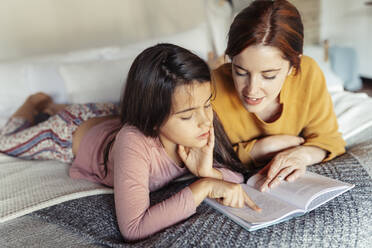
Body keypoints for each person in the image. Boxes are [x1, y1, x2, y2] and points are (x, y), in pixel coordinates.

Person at [0, 43, 261, 241]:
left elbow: (233, 179)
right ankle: (35, 102)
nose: (205, 121)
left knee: (104, 110)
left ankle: (54, 104)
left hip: (109, 114)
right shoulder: (133, 143)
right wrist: (203, 187)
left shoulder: (195, 126)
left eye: (207, 105)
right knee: (6, 142)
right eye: (187, 115)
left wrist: (207, 172)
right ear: (155, 118)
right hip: (70, 130)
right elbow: (133, 228)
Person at [211, 0, 346, 192]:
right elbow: (197, 158)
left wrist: (302, 155)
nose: (252, 90)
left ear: (293, 66)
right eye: (240, 72)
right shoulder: (212, 88)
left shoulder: (308, 73)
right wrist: (259, 149)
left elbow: (330, 141)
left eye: (269, 76)